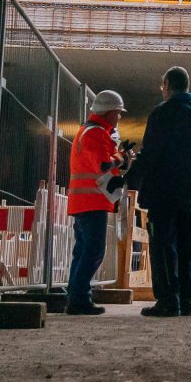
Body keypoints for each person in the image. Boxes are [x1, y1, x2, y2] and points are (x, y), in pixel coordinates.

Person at [127, 67, 191, 317]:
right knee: (187, 246)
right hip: (190, 193)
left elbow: (150, 153)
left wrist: (131, 178)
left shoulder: (161, 112)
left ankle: (168, 300)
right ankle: (187, 300)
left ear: (167, 85)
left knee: (162, 245)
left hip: (162, 192)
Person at [64, 88, 129, 315]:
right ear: (109, 112)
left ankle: (74, 297)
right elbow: (103, 165)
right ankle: (79, 298)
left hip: (83, 202)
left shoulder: (87, 131)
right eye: (118, 113)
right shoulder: (96, 133)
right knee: (94, 250)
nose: (119, 117)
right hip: (91, 202)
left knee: (82, 250)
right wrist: (123, 158)